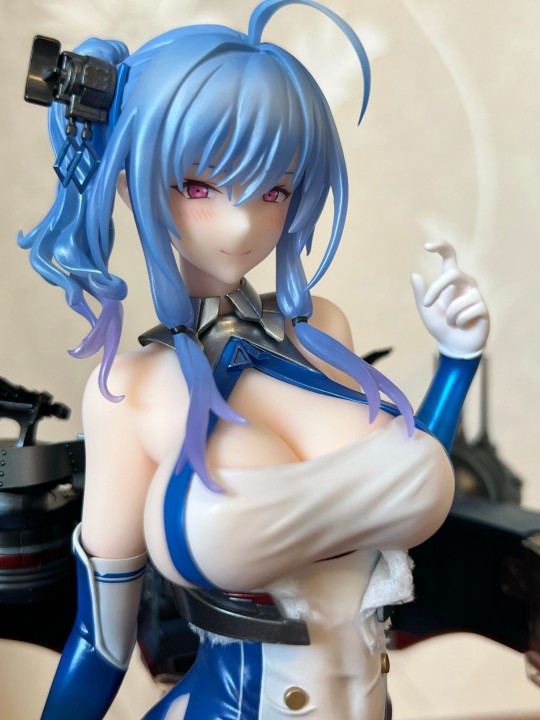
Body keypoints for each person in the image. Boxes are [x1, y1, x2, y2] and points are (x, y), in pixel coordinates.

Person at [19, 1, 489, 718]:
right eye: (200, 187)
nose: (241, 222)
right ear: (132, 177)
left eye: (274, 190)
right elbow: (101, 643)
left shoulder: (323, 326)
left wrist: (457, 360)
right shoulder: (129, 390)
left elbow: (416, 472)